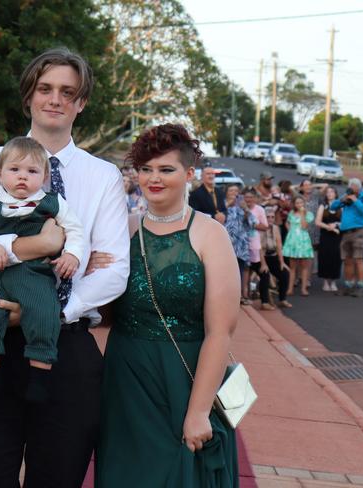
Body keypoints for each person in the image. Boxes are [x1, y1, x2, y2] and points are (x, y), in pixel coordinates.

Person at [0, 47, 130, 487]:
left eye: (68, 92)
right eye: (45, 88)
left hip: (65, 346)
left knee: (58, 479)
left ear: (81, 102)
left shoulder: (102, 175)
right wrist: (43, 244)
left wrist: (44, 308)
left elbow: (114, 271)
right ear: (29, 95)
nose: (56, 99)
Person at [96, 123, 239, 487]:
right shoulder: (121, 228)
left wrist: (199, 411)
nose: (153, 179)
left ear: (189, 174)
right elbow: (101, 314)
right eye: (145, 169)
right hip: (125, 377)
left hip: (187, 376)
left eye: (166, 169)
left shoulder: (210, 234)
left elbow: (220, 332)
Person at [0, 137, 84, 404]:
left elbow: (75, 229)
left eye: (32, 172)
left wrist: (73, 254)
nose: (22, 178)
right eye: (14, 170)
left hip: (34, 275)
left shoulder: (52, 202)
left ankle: (39, 379)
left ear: (45, 175)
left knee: (44, 313)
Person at [330, 178, 363, 297]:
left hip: (359, 231)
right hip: (346, 232)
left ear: (359, 188)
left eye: (355, 189)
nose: (352, 191)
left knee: (358, 259)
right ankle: (348, 286)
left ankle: (360, 286)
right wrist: (342, 200)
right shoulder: (347, 194)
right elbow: (332, 207)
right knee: (347, 260)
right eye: (351, 189)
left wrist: (355, 200)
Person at [223, 185, 255, 304]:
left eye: (236, 191)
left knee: (239, 271)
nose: (234, 193)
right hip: (226, 244)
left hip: (240, 245)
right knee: (226, 270)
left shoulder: (242, 206)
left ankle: (239, 296)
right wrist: (227, 204)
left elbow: (251, 223)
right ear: (226, 193)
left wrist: (246, 209)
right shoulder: (222, 204)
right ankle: (225, 296)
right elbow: (217, 219)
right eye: (231, 190)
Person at [258, 209, 292, 309]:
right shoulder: (260, 228)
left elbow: (279, 246)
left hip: (273, 256)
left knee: (285, 273)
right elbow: (259, 248)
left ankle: (282, 299)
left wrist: (282, 262)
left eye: (272, 217)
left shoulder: (276, 228)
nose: (270, 219)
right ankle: (264, 302)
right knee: (265, 274)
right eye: (268, 217)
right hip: (261, 257)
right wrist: (264, 264)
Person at [282, 196, 315, 296]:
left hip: (303, 240)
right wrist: (290, 231)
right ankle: (290, 288)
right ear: (294, 204)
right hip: (293, 241)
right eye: (297, 203)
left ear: (304, 203)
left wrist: (302, 214)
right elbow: (287, 223)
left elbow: (304, 226)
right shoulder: (291, 213)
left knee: (304, 266)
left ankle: (304, 289)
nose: (299, 205)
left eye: (301, 202)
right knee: (292, 266)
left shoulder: (308, 214)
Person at [242, 187, 269, 304]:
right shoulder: (239, 209)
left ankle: (263, 299)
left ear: (255, 198)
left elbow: (265, 226)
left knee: (260, 272)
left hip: (255, 245)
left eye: (251, 197)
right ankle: (244, 295)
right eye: (246, 197)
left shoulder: (259, 210)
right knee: (245, 270)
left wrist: (251, 223)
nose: (248, 199)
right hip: (241, 244)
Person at [315, 186, 342, 292]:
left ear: (336, 194)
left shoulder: (341, 206)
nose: (330, 193)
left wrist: (336, 225)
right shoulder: (323, 206)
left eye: (332, 191)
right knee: (325, 257)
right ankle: (325, 282)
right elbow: (317, 222)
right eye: (328, 192)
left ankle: (334, 281)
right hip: (325, 236)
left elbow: (345, 221)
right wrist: (329, 227)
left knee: (336, 258)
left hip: (337, 236)